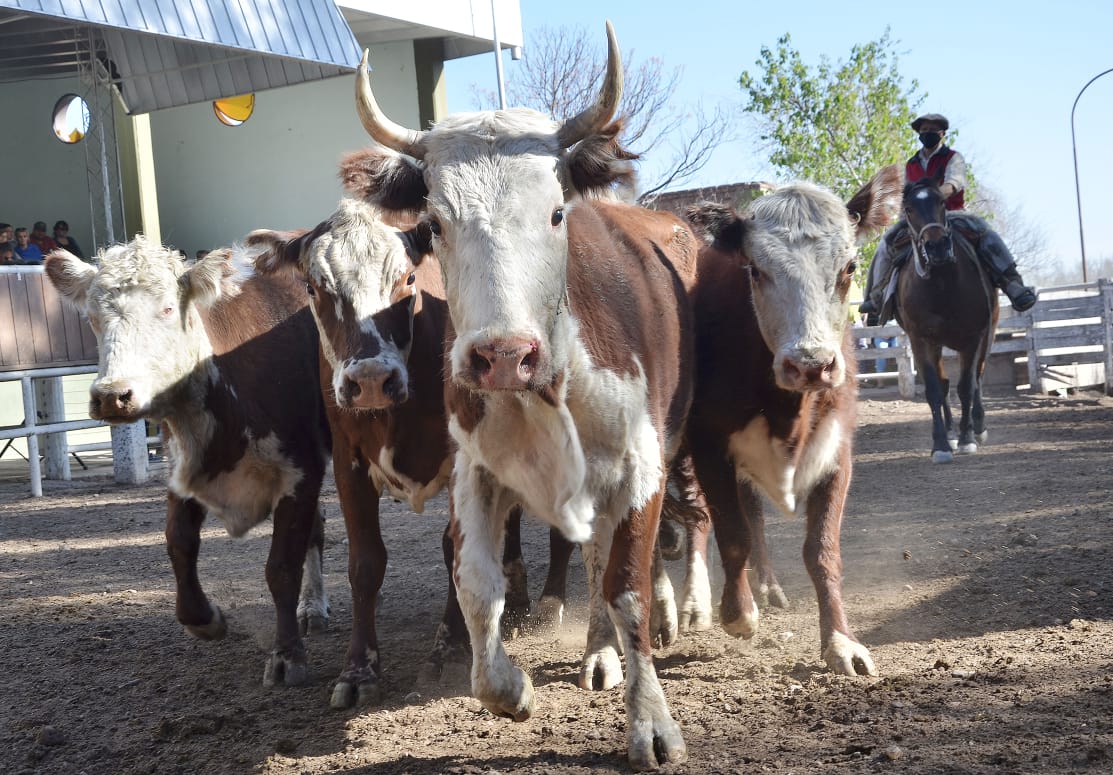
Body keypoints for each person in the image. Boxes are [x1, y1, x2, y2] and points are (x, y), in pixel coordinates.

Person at [858, 113, 1038, 323]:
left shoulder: (953, 157)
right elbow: (905, 193)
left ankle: (1013, 285)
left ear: (942, 134)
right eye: (924, 131)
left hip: (950, 213)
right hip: (918, 218)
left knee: (986, 233)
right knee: (886, 242)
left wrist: (932, 196)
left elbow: (954, 183)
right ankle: (876, 297)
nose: (928, 134)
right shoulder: (911, 164)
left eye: (932, 130)